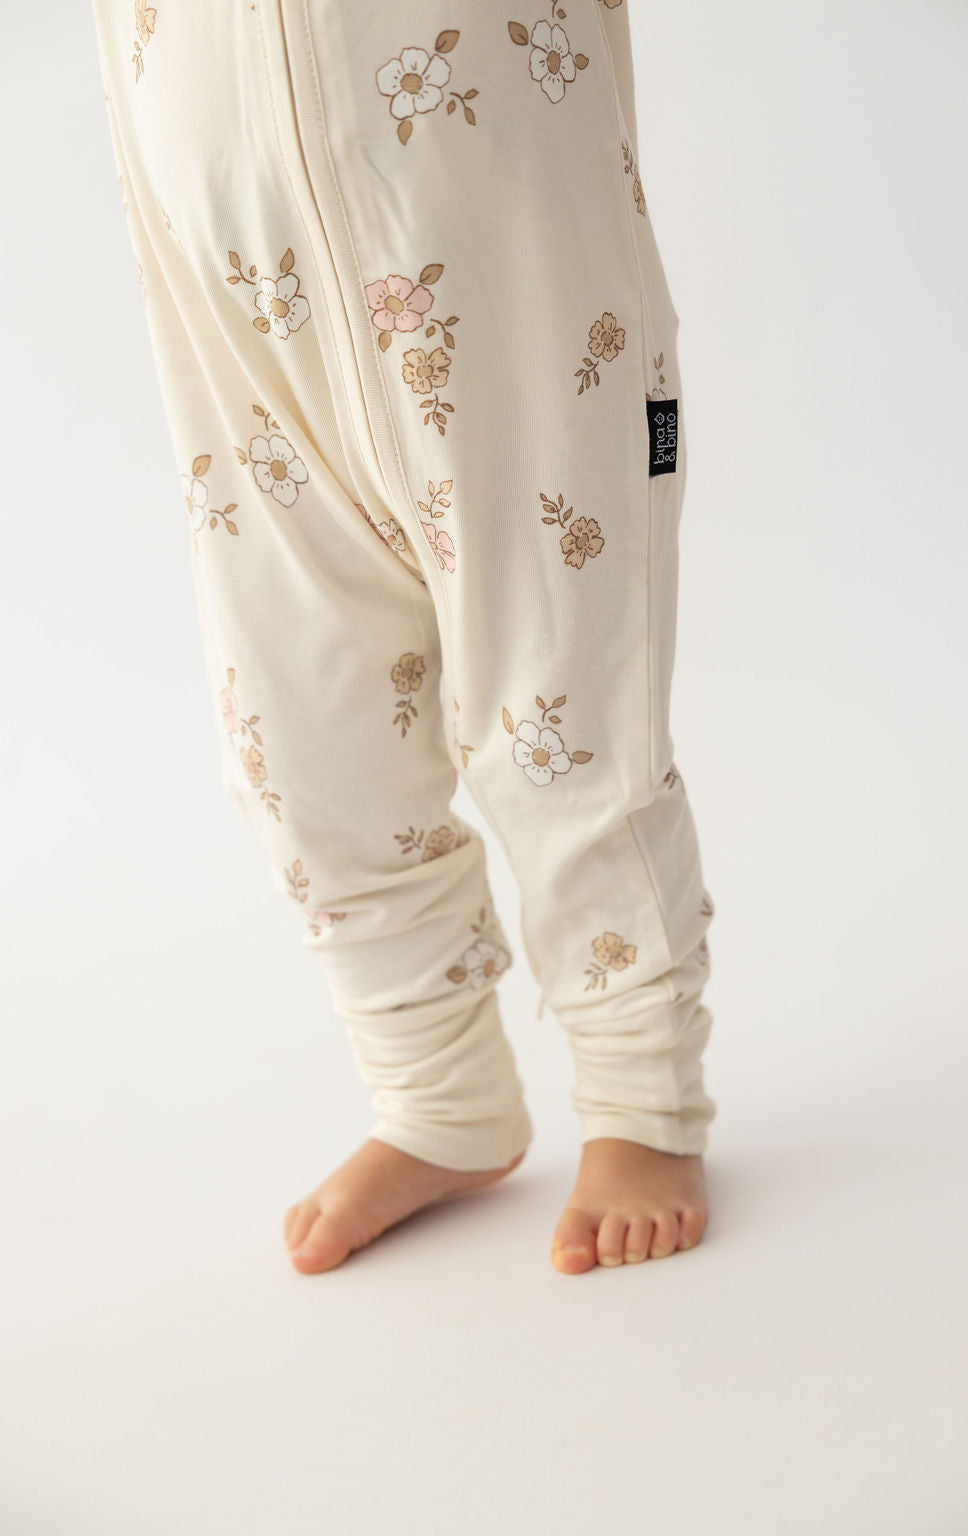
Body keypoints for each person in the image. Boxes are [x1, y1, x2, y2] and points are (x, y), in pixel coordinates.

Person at [89, 0, 717, 1275]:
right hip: (238, 298)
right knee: (294, 735)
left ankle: (639, 1092)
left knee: (560, 703)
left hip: (505, 253)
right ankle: (439, 1091)